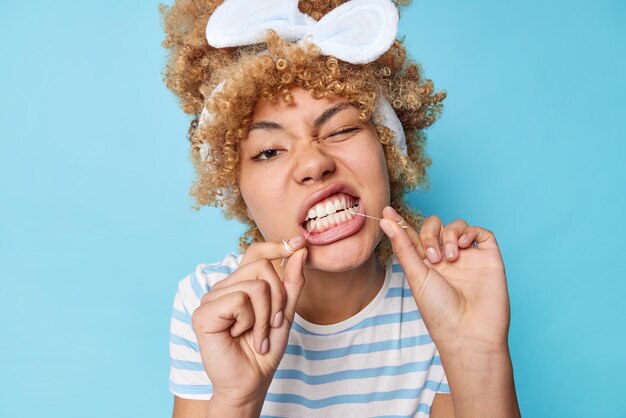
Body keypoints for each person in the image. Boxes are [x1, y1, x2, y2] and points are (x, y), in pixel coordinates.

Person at [162, 0, 521, 416]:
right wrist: (236, 400)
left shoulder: (443, 297)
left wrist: (476, 352)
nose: (315, 164)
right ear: (236, 189)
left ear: (390, 149)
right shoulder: (209, 304)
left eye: (342, 129)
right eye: (269, 151)